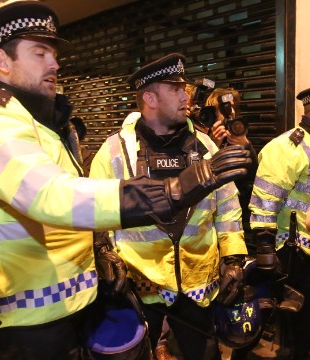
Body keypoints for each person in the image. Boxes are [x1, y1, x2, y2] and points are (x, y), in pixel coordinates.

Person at [0, 2, 251, 359]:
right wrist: (172, 190)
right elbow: (50, 196)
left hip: (72, 304)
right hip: (23, 318)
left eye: (53, 54)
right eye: (40, 52)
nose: (54, 64)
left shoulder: (40, 123)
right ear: (3, 61)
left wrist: (98, 253)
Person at [88, 53, 249, 360]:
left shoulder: (206, 146)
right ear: (149, 97)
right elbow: (96, 213)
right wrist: (102, 252)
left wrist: (234, 258)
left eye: (184, 88)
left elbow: (227, 207)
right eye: (174, 89)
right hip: (138, 284)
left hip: (197, 284)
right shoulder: (113, 152)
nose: (185, 95)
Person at [249, 77, 310, 359]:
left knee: (304, 319)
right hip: (289, 251)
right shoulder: (288, 147)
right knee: (287, 319)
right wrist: (266, 250)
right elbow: (265, 200)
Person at [206, 88, 259, 243]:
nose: (232, 112)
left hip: (240, 219)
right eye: (225, 108)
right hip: (212, 223)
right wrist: (212, 144)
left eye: (233, 106)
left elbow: (254, 181)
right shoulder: (202, 139)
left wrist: (247, 147)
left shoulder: (242, 136)